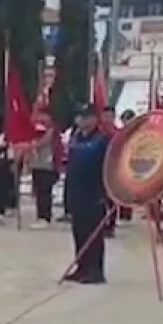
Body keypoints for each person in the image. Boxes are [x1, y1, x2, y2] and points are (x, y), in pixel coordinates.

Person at [64, 105, 110, 285]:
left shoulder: (102, 140)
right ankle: (82, 267)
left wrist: (105, 192)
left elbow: (108, 167)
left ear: (94, 119)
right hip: (77, 192)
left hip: (94, 193)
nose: (82, 120)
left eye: (86, 117)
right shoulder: (75, 138)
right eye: (80, 117)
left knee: (94, 234)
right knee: (79, 232)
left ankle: (95, 271)